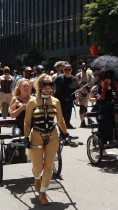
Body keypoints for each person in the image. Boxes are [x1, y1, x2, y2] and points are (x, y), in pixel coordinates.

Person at [24, 74, 71, 205]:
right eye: (44, 84)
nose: (47, 87)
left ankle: (43, 192)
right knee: (38, 167)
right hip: (36, 135)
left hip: (52, 134)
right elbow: (27, 122)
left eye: (50, 84)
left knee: (49, 165)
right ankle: (37, 178)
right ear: (39, 86)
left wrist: (66, 134)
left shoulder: (56, 101)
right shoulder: (32, 102)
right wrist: (26, 137)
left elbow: (60, 120)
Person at [9, 79, 33, 163]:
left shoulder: (33, 99)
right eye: (24, 86)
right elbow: (12, 115)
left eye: (28, 86)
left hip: (31, 124)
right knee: (16, 136)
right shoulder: (15, 99)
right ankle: (21, 155)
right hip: (19, 125)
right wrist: (20, 108)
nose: (26, 88)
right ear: (19, 88)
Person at [54, 64, 78, 131]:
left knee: (68, 118)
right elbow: (53, 85)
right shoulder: (59, 78)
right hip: (60, 101)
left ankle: (64, 131)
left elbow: (75, 89)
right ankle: (63, 134)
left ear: (71, 70)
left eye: (69, 70)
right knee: (62, 118)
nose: (67, 71)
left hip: (69, 101)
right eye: (65, 70)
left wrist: (76, 95)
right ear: (63, 70)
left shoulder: (73, 79)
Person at [75, 63, 94, 128]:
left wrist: (88, 95)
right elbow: (76, 85)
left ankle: (85, 119)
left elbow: (92, 86)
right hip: (80, 93)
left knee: (85, 108)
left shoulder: (90, 76)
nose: (84, 69)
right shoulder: (78, 76)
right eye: (83, 68)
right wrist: (78, 93)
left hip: (87, 93)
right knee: (81, 107)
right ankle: (82, 121)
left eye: (85, 67)